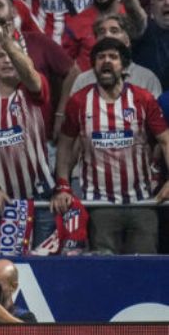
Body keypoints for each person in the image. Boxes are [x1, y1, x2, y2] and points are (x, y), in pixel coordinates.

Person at [53, 38, 169, 254]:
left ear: (123, 66)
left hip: (142, 202)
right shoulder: (78, 101)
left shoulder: (142, 99)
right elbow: (65, 145)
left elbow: (165, 139)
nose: (106, 61)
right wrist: (63, 184)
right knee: (104, 270)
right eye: (100, 57)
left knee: (145, 271)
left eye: (113, 57)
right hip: (99, 205)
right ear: (93, 65)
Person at [0, 27, 56, 254]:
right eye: (0, 55)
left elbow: (31, 77)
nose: (7, 60)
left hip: (41, 199)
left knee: (41, 271)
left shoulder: (34, 87)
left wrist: (9, 45)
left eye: (13, 54)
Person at [132, 0, 169, 90]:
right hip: (147, 99)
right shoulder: (142, 31)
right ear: (152, 7)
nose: (167, 2)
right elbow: (134, 11)